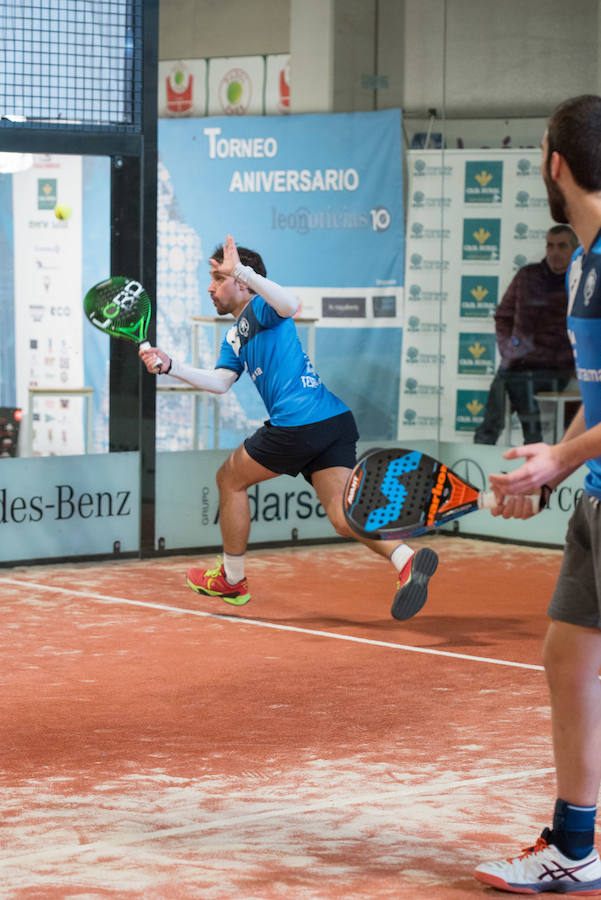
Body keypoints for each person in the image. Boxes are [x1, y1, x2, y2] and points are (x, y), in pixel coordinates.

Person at [140, 235, 438, 620]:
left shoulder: (261, 307)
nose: (210, 288)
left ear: (242, 282)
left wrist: (242, 271)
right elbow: (219, 382)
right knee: (340, 516)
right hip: (331, 422)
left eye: (217, 278)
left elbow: (291, 304)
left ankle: (232, 577)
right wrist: (170, 366)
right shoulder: (234, 335)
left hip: (298, 423)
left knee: (230, 478)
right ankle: (406, 561)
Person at [474, 94, 601, 894]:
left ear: (553, 162)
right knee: (569, 657)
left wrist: (555, 461)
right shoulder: (585, 260)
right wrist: (557, 457)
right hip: (598, 494)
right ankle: (575, 846)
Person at [473, 225, 578, 445]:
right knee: (503, 384)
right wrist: (509, 349)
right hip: (518, 362)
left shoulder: (579, 281)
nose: (554, 252)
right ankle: (483, 450)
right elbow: (503, 316)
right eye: (550, 245)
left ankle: (533, 442)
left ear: (574, 249)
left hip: (555, 367)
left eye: (561, 246)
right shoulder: (527, 276)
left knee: (516, 381)